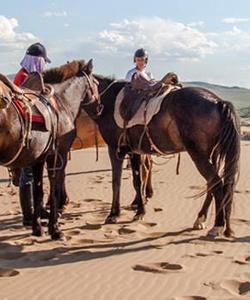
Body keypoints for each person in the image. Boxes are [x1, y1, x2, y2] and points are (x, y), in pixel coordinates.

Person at [13, 42, 51, 226]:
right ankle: (27, 215)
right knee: (27, 175)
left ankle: (39, 208)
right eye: (43, 61)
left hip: (34, 135)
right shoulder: (24, 77)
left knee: (36, 175)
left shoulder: (25, 75)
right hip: (26, 135)